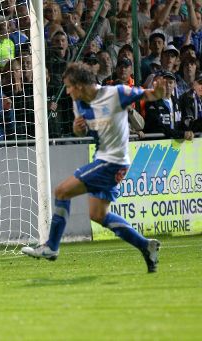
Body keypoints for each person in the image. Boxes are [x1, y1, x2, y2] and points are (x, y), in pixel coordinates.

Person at [21, 62, 165, 273]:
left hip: (112, 161)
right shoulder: (78, 103)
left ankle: (51, 246)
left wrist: (158, 92)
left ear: (80, 85)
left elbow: (148, 95)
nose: (68, 91)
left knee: (62, 191)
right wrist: (77, 129)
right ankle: (145, 245)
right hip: (106, 159)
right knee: (98, 214)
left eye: (69, 86)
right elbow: (80, 131)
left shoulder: (116, 93)